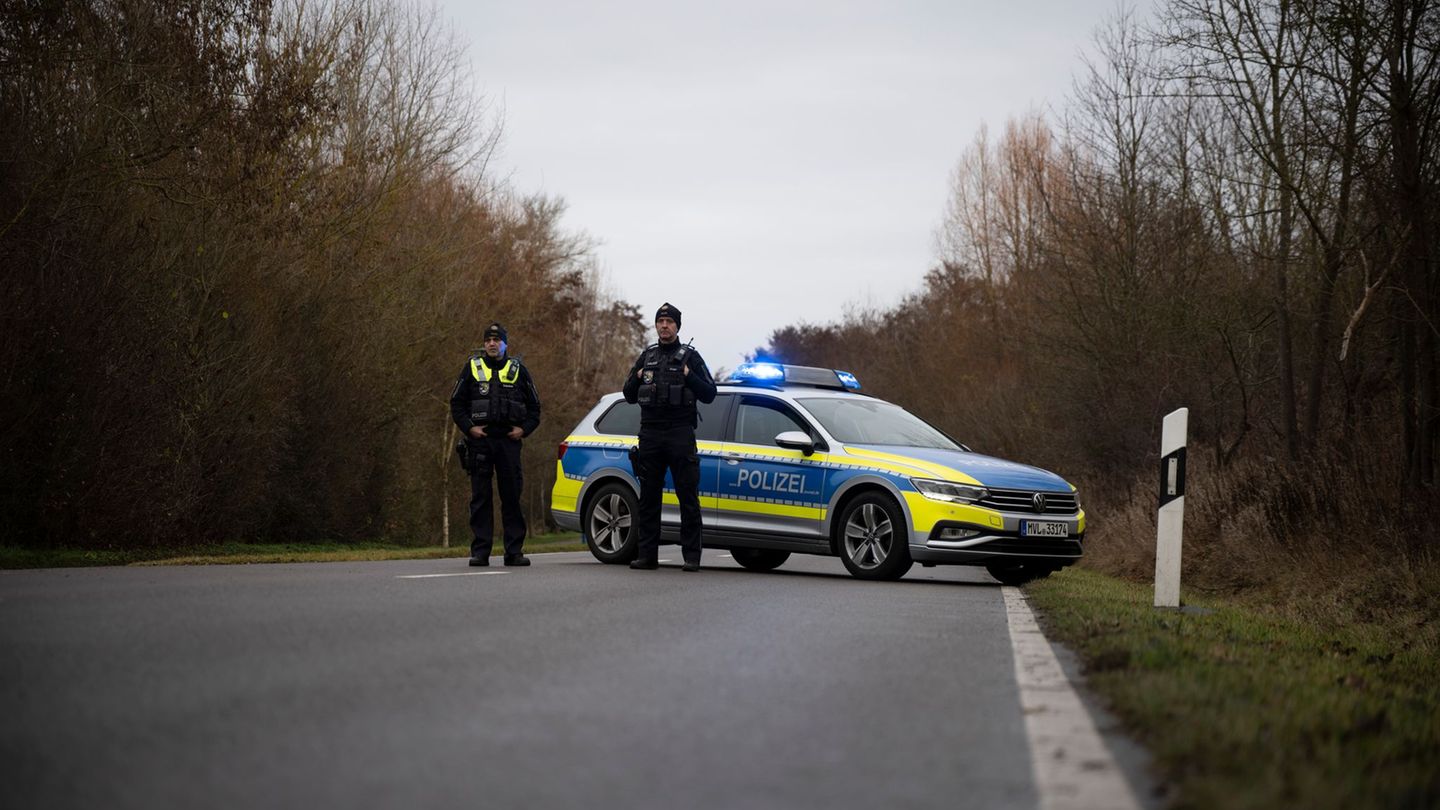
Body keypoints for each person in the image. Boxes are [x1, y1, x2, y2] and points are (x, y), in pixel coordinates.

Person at [622, 302, 717, 571]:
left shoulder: (691, 358)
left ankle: (691, 557)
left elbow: (710, 393)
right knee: (649, 499)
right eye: (660, 321)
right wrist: (638, 376)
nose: (664, 326)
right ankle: (647, 555)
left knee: (687, 496)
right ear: (656, 326)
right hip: (650, 434)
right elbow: (628, 394)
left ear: (677, 326)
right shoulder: (647, 356)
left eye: (669, 322)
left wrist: (689, 376)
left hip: (680, 434)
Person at [449, 323, 541, 567]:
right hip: (480, 442)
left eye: (496, 339)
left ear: (505, 343)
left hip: (509, 444)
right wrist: (469, 428)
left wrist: (524, 430)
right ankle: (480, 552)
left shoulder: (519, 370)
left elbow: (535, 409)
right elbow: (456, 404)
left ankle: (514, 552)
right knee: (480, 498)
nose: (491, 343)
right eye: (488, 339)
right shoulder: (471, 368)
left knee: (511, 497)